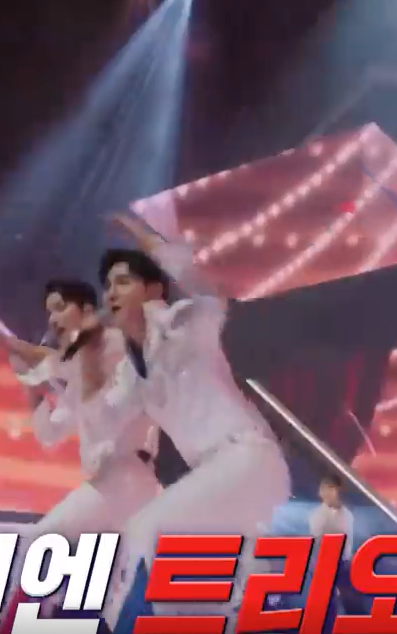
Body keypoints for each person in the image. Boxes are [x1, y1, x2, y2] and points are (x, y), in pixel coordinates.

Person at [98, 213, 292, 628]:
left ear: (153, 289)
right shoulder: (131, 372)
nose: (110, 292)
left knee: (147, 529)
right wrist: (78, 367)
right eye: (108, 285)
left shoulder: (187, 324)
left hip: (247, 457)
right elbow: (106, 421)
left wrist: (147, 239)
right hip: (216, 477)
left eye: (123, 282)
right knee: (202, 589)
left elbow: (206, 291)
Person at [0, 280, 162, 628]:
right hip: (122, 483)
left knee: (41, 543)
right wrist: (32, 390)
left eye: (60, 308)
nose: (53, 319)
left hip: (124, 474)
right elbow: (50, 432)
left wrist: (6, 342)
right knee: (113, 589)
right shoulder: (80, 375)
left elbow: (50, 360)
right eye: (50, 312)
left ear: (86, 310)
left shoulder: (111, 343)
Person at [309, 474, 366, 615]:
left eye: (330, 488)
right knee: (326, 606)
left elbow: (347, 541)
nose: (325, 493)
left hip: (343, 564)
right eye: (323, 489)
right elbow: (318, 541)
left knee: (352, 602)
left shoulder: (347, 515)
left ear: (337, 490)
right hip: (324, 564)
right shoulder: (317, 515)